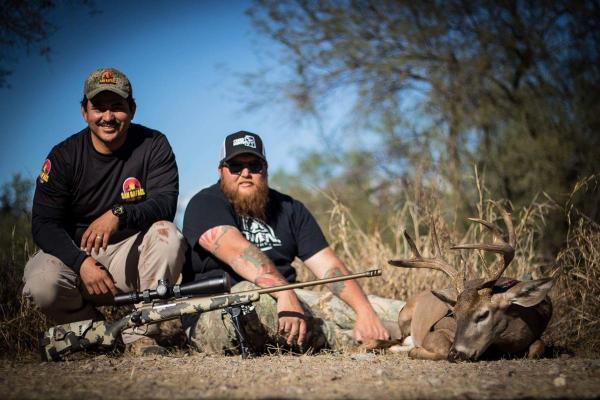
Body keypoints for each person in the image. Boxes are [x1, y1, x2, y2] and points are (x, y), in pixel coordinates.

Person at [182, 131, 403, 354]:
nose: (246, 173)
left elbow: (329, 267)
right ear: (220, 171)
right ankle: (378, 341)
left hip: (288, 300)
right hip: (219, 308)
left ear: (265, 169)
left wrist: (365, 311)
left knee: (390, 311)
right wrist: (285, 293)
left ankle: (401, 328)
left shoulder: (289, 208)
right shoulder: (204, 203)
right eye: (236, 166)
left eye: (255, 166)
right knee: (251, 296)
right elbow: (237, 251)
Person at [23, 67, 186, 355]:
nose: (108, 117)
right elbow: (43, 224)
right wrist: (81, 262)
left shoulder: (154, 144)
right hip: (77, 256)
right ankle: (98, 334)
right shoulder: (63, 156)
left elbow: (165, 204)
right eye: (99, 107)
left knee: (168, 235)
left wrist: (118, 214)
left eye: (117, 107)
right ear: (84, 112)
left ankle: (142, 337)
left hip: (132, 256)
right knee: (41, 281)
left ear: (132, 110)